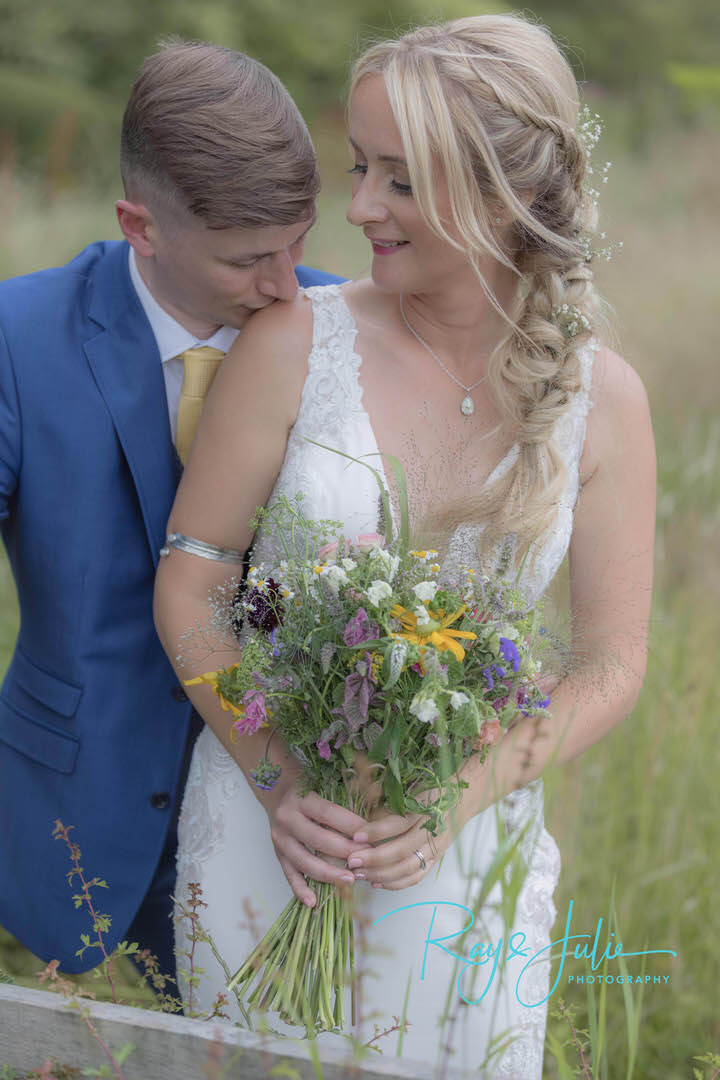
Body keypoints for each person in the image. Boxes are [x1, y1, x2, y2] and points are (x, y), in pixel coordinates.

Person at [154, 14, 655, 1076]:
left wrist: (461, 791)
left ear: (501, 196)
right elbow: (193, 583)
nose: (358, 209)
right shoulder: (296, 341)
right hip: (272, 842)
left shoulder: (604, 400)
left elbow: (612, 662)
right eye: (360, 168)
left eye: (399, 180)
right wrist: (279, 781)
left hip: (466, 864)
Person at [0, 41, 342, 985]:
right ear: (139, 226)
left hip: (293, 839)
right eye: (247, 259)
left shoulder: (341, 332)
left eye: (298, 243)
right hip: (76, 819)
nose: (285, 284)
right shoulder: (17, 339)